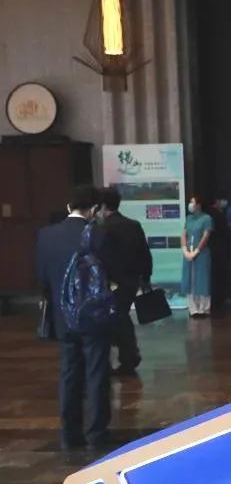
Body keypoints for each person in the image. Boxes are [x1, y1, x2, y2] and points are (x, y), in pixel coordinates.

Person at [35, 185, 111, 449]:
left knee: (69, 374)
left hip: (63, 316)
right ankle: (96, 434)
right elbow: (110, 274)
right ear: (94, 208)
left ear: (69, 206)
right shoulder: (99, 234)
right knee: (96, 373)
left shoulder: (46, 235)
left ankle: (70, 434)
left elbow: (43, 277)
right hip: (94, 317)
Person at [95, 187, 153, 377]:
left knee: (117, 319)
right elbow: (145, 253)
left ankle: (128, 356)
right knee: (122, 316)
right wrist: (146, 277)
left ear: (103, 205)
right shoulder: (133, 225)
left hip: (110, 283)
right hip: (131, 282)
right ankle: (129, 355)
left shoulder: (102, 228)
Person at [181, 195, 214, 318]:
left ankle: (203, 308)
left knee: (202, 279)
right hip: (188, 253)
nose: (191, 205)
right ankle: (193, 308)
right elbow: (184, 235)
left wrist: (196, 251)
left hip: (202, 254)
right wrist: (185, 250)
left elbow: (206, 236)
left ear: (199, 205)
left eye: (193, 202)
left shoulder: (207, 218)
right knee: (190, 279)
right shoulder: (189, 218)